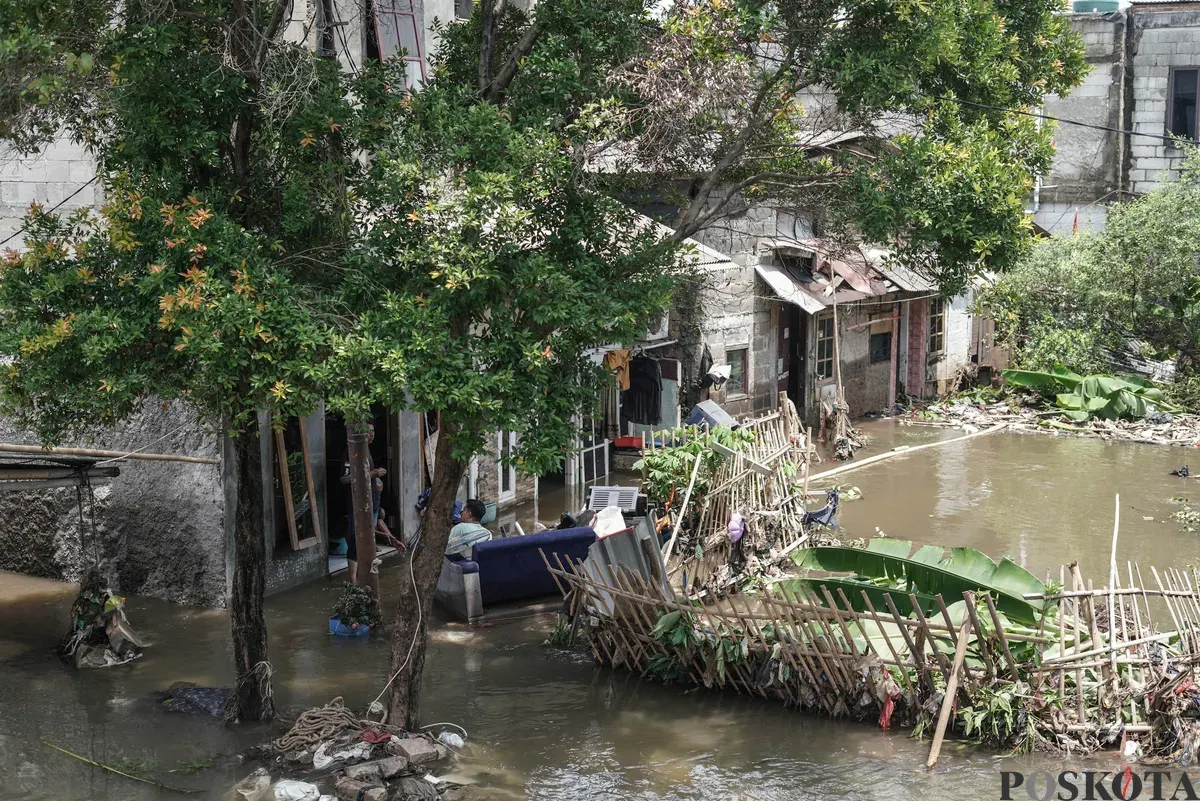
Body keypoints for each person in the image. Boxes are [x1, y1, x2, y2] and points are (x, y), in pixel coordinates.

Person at [341, 423, 400, 584]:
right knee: (355, 542)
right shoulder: (351, 453)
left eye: (373, 431)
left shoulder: (366, 451)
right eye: (368, 431)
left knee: (367, 541)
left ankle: (364, 578)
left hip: (371, 505)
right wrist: (372, 474)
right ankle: (353, 582)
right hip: (357, 507)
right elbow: (345, 479)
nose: (371, 434)